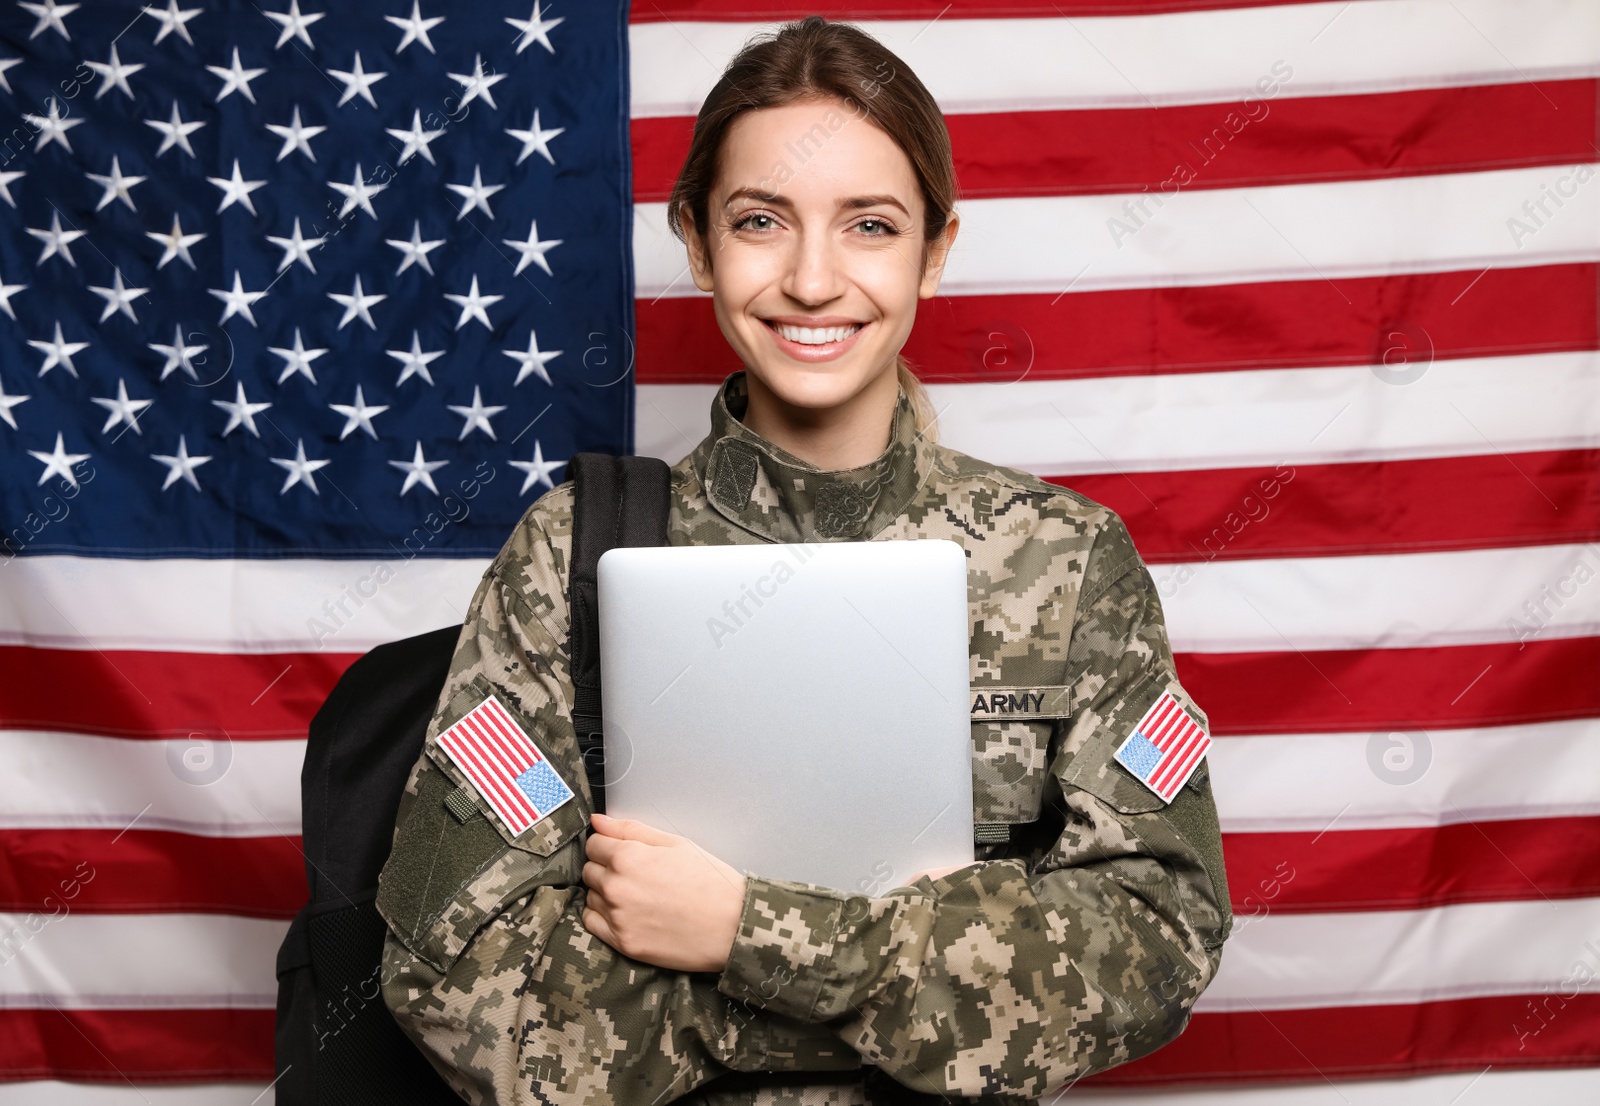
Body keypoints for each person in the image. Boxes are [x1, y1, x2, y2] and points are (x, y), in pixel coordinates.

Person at [376, 15, 1231, 1105]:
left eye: (869, 225)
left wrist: (746, 933)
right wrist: (924, 985)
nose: (813, 279)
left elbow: (1158, 933)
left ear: (935, 249)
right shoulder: (569, 558)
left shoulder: (1066, 563)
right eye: (759, 221)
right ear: (696, 239)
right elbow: (456, 976)